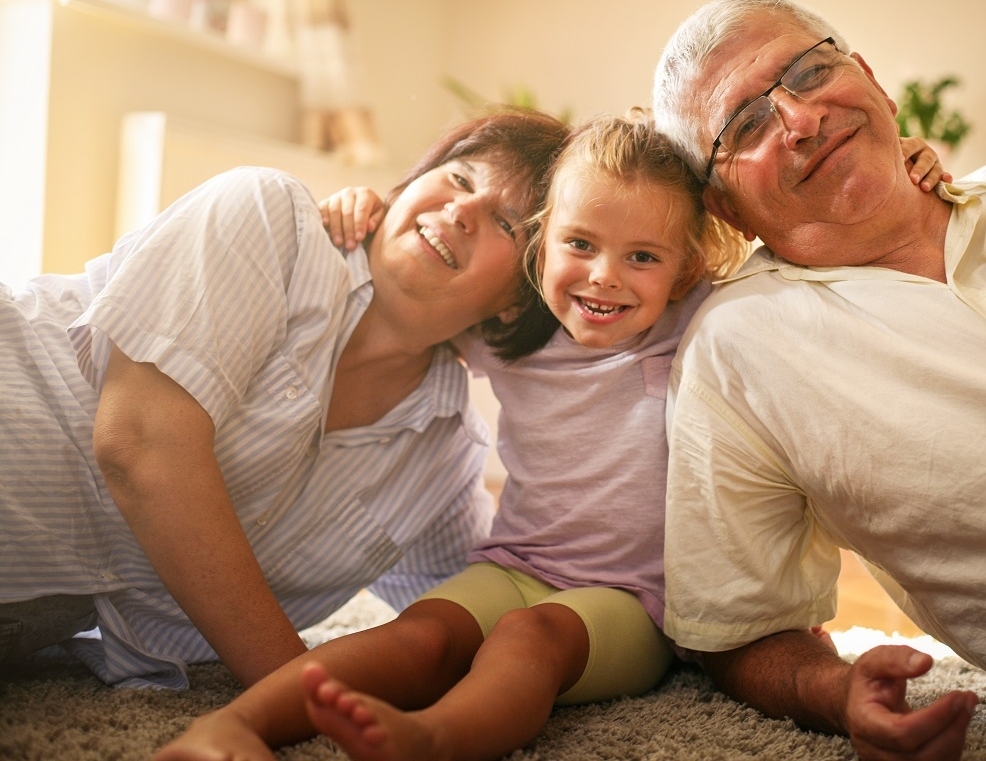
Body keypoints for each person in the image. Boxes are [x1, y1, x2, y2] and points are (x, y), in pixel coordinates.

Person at [154, 111, 947, 761]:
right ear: (539, 249)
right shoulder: (511, 330)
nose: (604, 276)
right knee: (424, 631)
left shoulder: (700, 324)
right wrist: (361, 205)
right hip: (516, 563)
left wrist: (903, 179)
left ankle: (434, 738)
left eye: (641, 256)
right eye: (580, 246)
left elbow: (817, 267)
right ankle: (236, 725)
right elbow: (421, 289)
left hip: (633, 606)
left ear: (685, 269)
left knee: (532, 639)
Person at [651, 0, 986, 760]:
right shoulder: (738, 351)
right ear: (723, 205)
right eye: (745, 125)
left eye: (810, 72)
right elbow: (738, 628)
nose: (801, 119)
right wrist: (836, 693)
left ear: (868, 75)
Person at [0, 108, 569, 690]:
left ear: (521, 299)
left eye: (506, 222)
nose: (460, 210)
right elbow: (141, 443)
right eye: (459, 178)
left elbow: (482, 608)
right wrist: (299, 687)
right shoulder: (268, 214)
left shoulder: (442, 456)